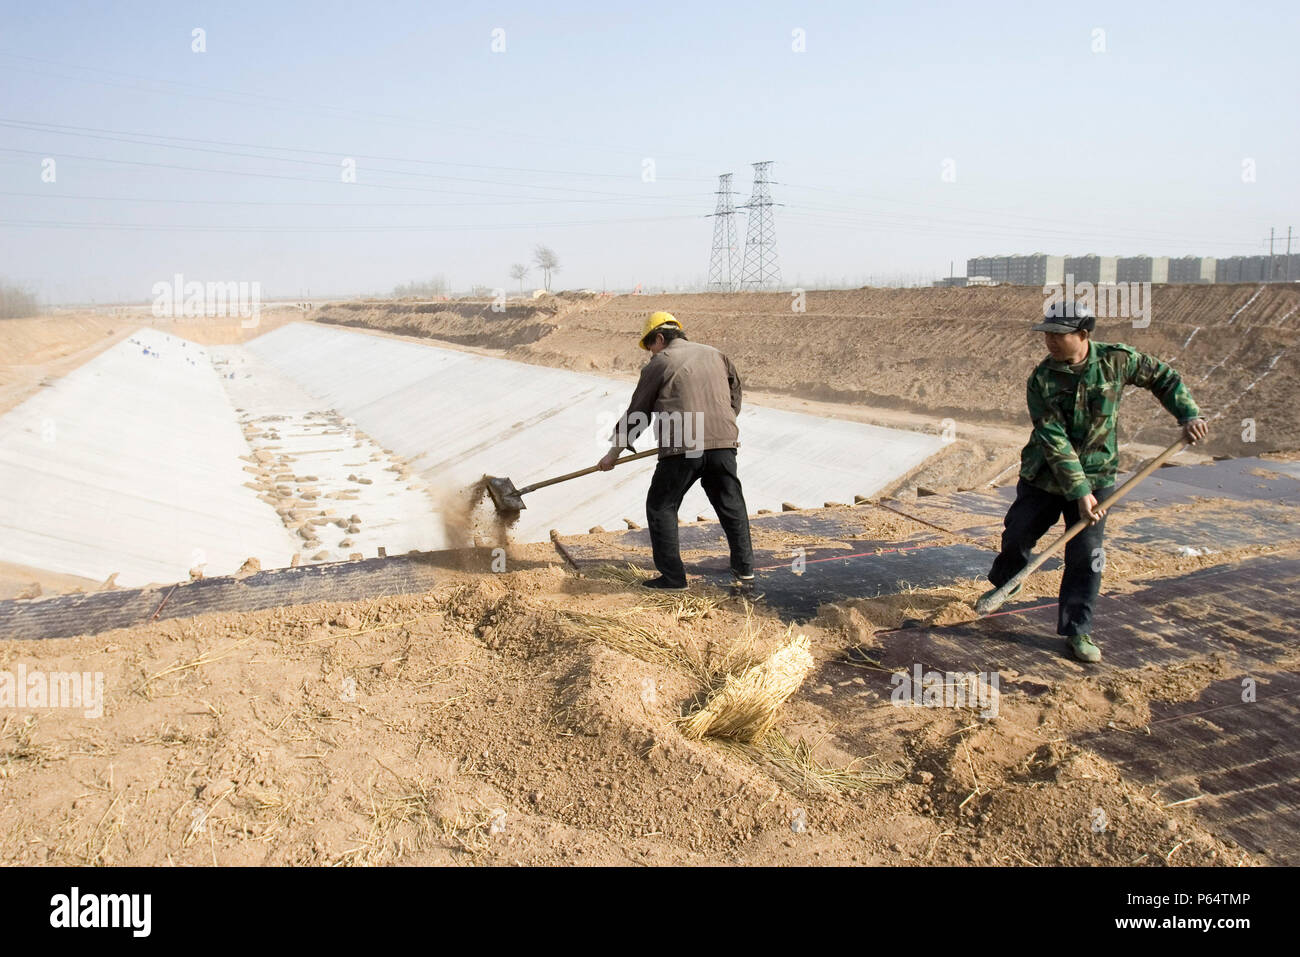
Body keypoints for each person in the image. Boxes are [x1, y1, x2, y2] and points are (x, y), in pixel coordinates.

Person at [981, 300, 1208, 663]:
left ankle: (1077, 630)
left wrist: (1188, 415)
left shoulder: (1116, 361)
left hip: (1099, 473)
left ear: (1083, 335)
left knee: (1087, 556)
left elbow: (1163, 378)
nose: (1051, 342)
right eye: (1048, 335)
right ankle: (1008, 580)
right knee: (1018, 534)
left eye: (1059, 335)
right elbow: (1052, 437)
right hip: (1045, 475)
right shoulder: (1042, 379)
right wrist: (1080, 491)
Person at [597, 311, 754, 591]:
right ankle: (744, 570)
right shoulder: (716, 354)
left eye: (650, 347)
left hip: (684, 446)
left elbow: (638, 412)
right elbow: (735, 395)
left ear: (660, 338)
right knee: (731, 505)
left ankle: (673, 578)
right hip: (723, 443)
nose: (650, 354)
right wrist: (720, 427)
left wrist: (613, 453)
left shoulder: (662, 362)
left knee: (661, 506)